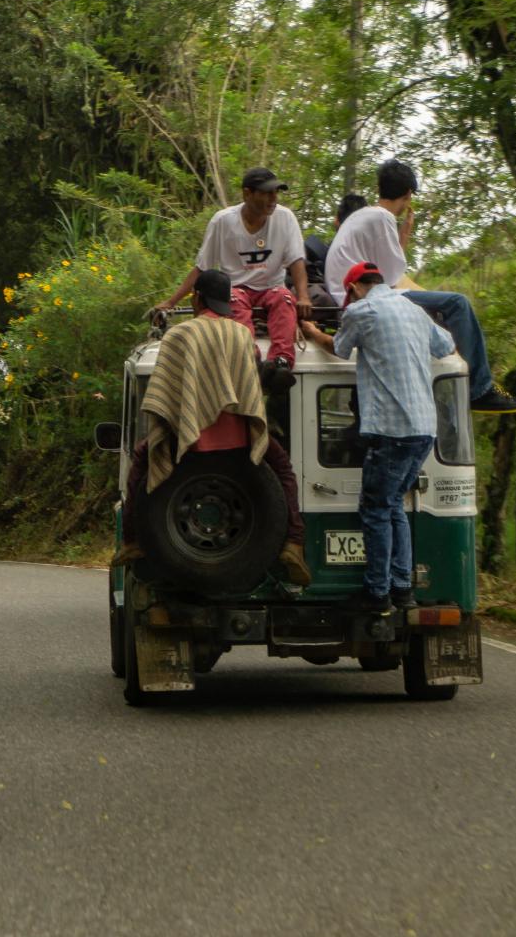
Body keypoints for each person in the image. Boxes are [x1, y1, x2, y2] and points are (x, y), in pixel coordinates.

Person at [121, 269, 310, 586]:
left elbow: (167, 390)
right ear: (226, 301)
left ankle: (132, 541)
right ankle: (293, 542)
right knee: (283, 470)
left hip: (186, 435)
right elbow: (250, 381)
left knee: (142, 461)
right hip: (240, 439)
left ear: (196, 298)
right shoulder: (242, 335)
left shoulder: (179, 336)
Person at [302, 261, 455, 612]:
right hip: (423, 429)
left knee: (374, 510)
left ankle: (377, 594)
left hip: (391, 429)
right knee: (393, 505)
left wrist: (310, 331)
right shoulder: (413, 309)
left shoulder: (361, 310)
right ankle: (402, 589)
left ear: (353, 287)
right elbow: (445, 346)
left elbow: (339, 348)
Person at [324, 159, 516, 415]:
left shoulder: (364, 216)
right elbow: (391, 276)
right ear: (408, 194)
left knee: (440, 307)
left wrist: (402, 236)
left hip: (351, 292)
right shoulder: (382, 217)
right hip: (363, 296)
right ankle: (479, 390)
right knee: (457, 303)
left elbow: (381, 270)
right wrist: (405, 235)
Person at [155, 168, 312, 394]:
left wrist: (303, 296)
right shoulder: (223, 221)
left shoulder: (285, 217)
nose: (274, 199)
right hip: (237, 288)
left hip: (273, 287)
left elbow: (297, 261)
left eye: (276, 193)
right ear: (247, 194)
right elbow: (202, 266)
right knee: (234, 301)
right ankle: (251, 358)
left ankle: (281, 363)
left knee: (285, 298)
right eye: (267, 193)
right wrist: (171, 301)